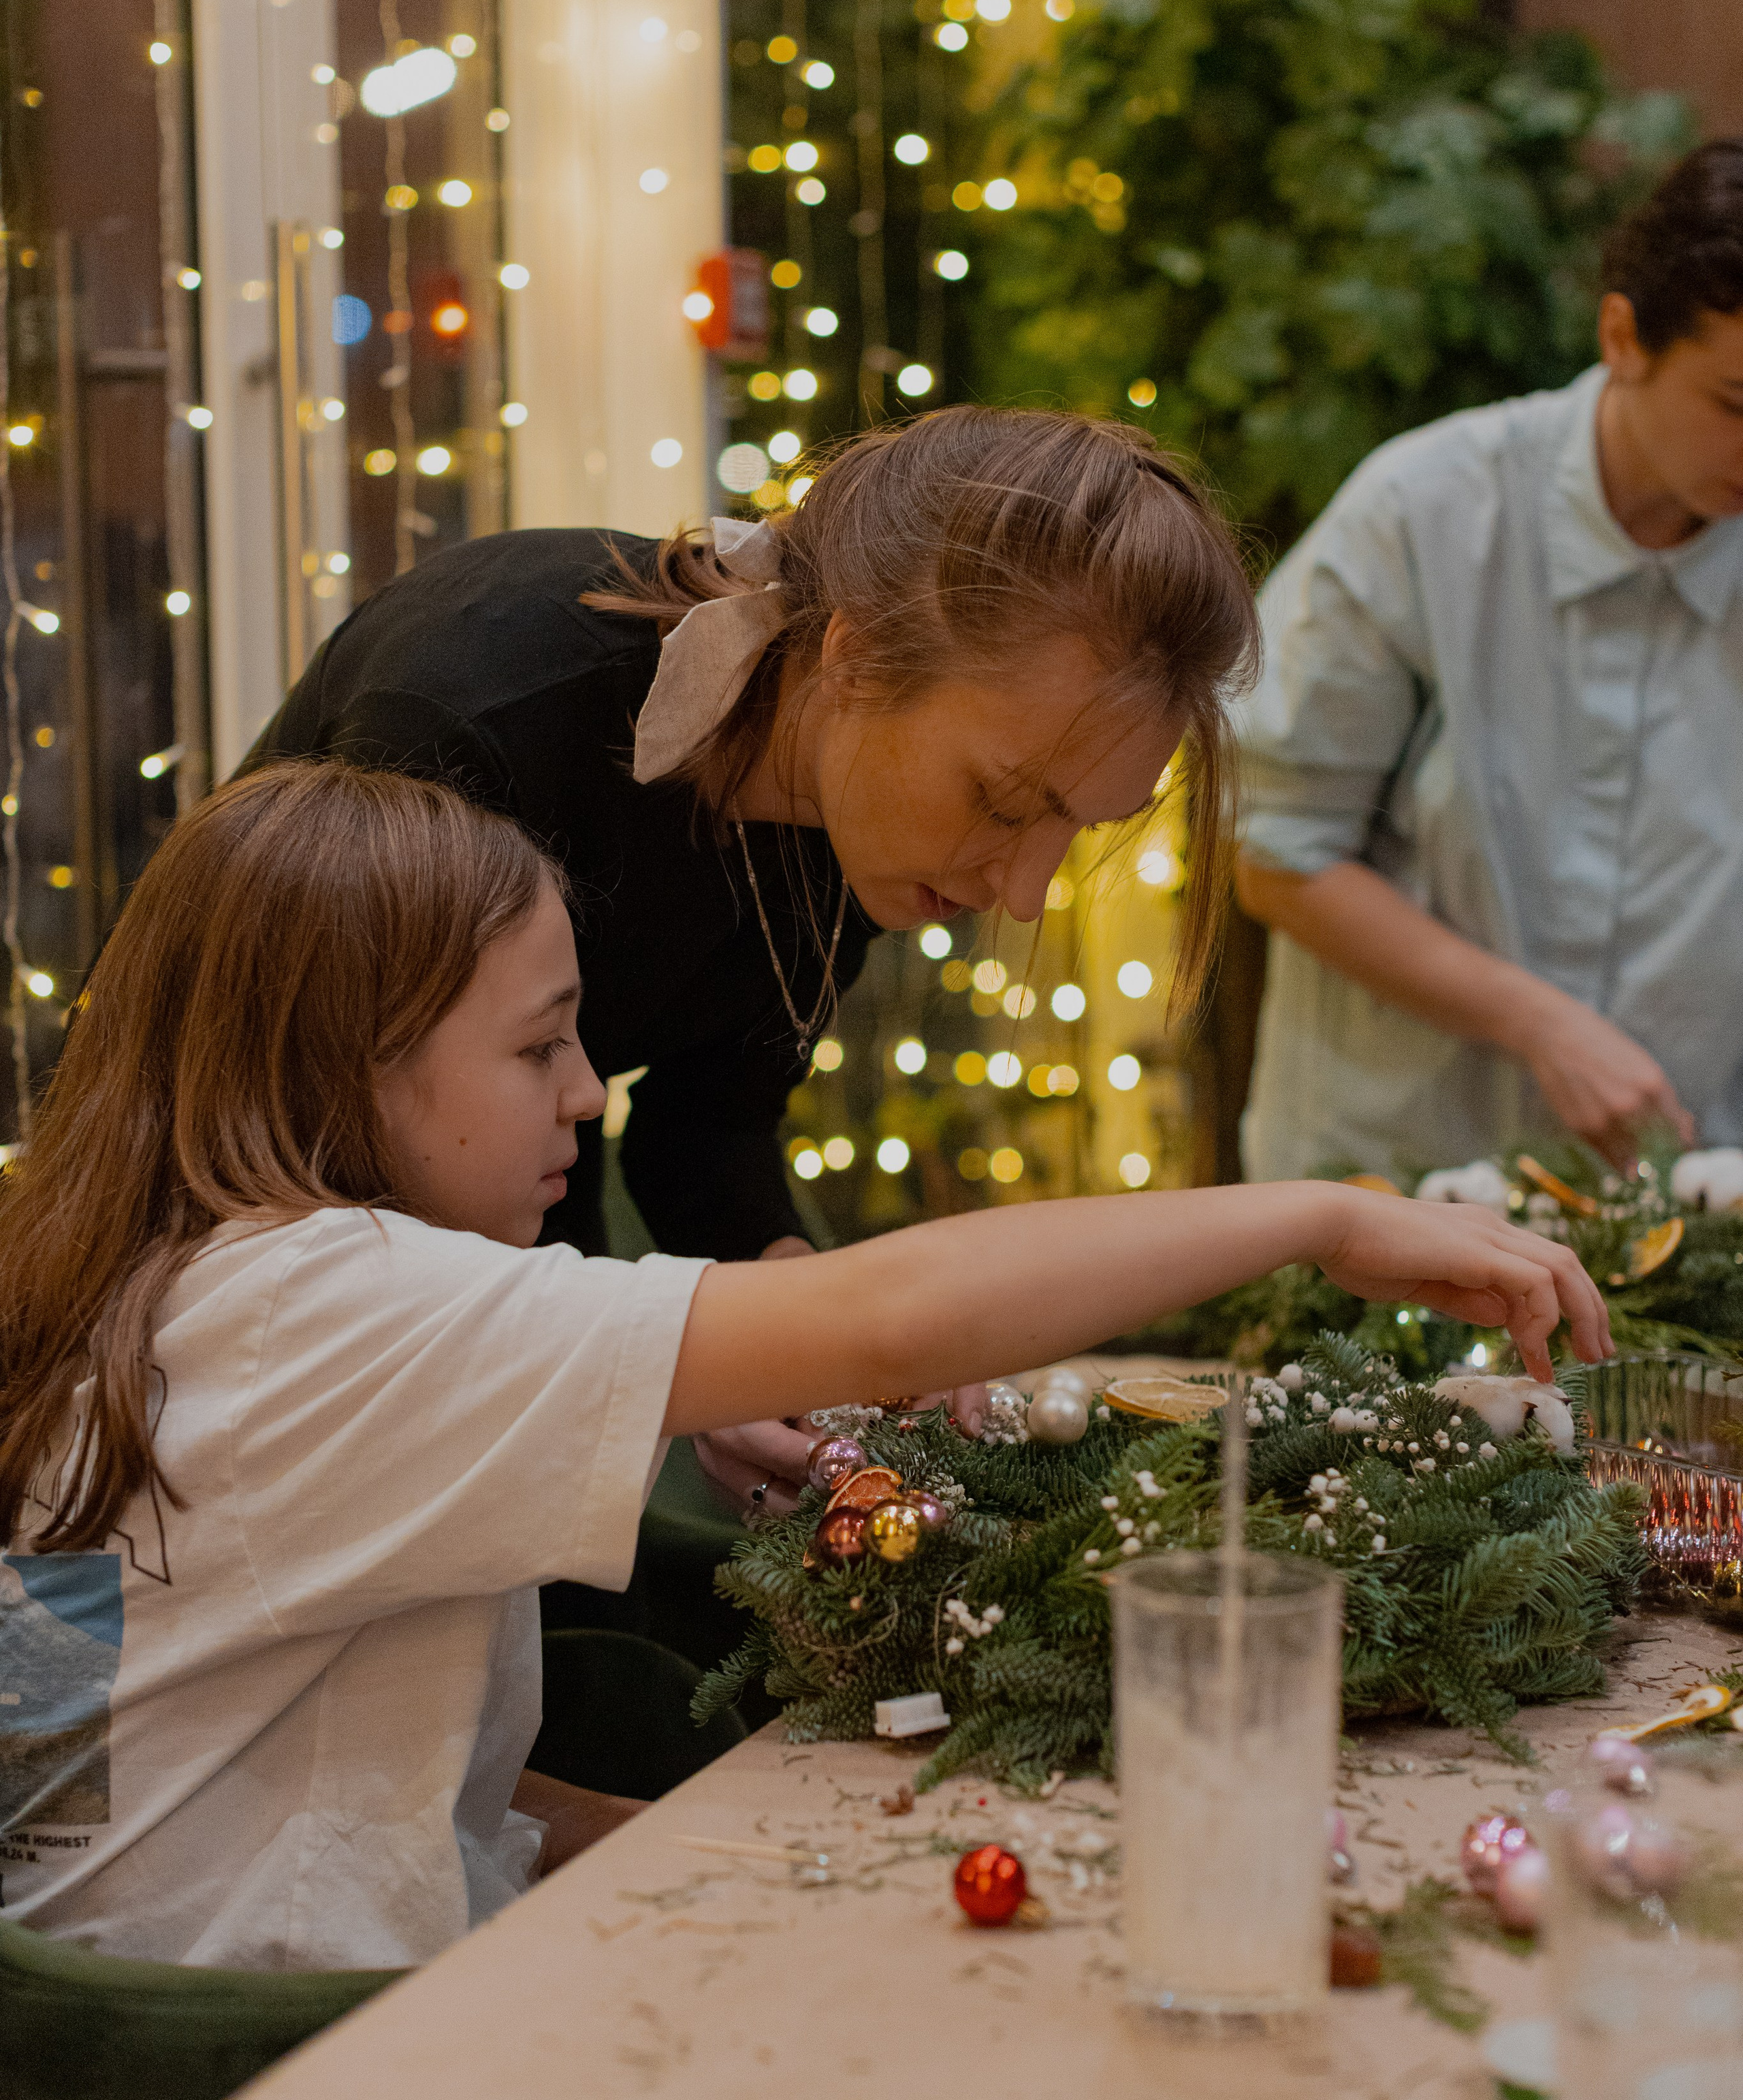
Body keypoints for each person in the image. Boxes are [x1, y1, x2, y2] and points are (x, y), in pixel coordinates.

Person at [0, 763, 1608, 1969]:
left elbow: (347, 1801)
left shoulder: (178, 1291)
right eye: (538, 1042)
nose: (587, 1096)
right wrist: (1317, 1213)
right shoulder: (329, 1314)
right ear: (348, 1059)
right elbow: (894, 1315)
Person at [244, 407, 1260, 1516]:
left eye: (1079, 831)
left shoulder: (858, 822)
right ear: (855, 661)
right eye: (1006, 804)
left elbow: (705, 1134)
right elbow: (389, 1173)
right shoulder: (481, 710)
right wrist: (704, 1355)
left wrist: (785, 1314)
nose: (1018, 892)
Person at [1236, 139, 1743, 1185]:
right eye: (1736, 405)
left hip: (1681, 1225)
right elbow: (1277, 853)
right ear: (1623, 336)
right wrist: (1542, 1024)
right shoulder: (1422, 513)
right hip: (1384, 1205)